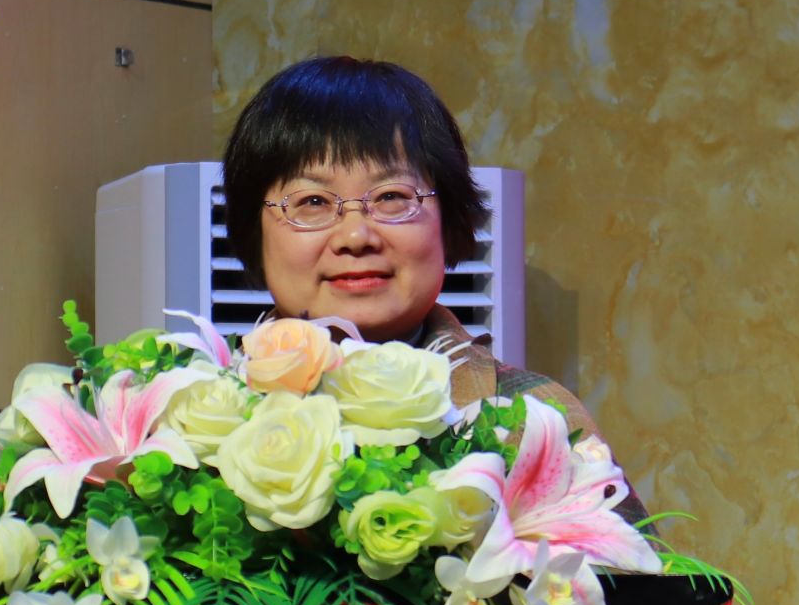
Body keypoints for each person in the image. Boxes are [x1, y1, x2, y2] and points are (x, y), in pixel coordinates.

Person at [219, 55, 645, 521]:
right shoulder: (192, 412)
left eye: (392, 197)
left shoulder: (537, 418)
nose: (356, 236)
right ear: (253, 233)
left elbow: (632, 569)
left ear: (449, 222)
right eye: (313, 201)